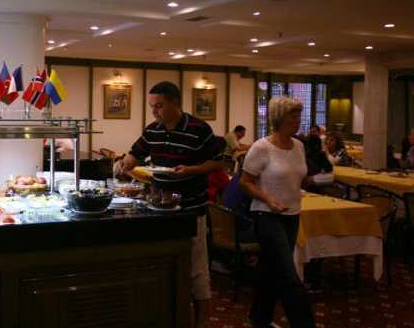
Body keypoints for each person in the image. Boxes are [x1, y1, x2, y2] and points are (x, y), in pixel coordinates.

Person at [113, 81, 223, 328]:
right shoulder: (153, 130)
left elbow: (218, 163)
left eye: (159, 106)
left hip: (191, 210)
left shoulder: (199, 128)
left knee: (196, 270)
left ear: (175, 102)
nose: (154, 112)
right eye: (152, 106)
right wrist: (125, 163)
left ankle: (202, 322)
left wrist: (192, 169)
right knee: (165, 265)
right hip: (160, 208)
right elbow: (136, 153)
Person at [239, 96, 315, 328]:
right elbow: (245, 182)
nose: (298, 120)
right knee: (289, 276)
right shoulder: (262, 147)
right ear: (279, 118)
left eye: (299, 115)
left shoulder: (299, 146)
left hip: (292, 215)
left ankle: (259, 318)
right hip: (266, 215)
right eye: (293, 116)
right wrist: (268, 198)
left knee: (270, 269)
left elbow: (297, 177)